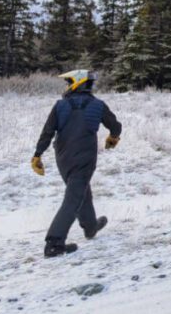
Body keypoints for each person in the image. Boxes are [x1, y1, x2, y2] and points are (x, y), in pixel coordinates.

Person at [31, 69, 122, 257]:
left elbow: (47, 132)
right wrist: (113, 137)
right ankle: (54, 243)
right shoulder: (98, 105)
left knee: (79, 191)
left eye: (68, 82)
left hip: (63, 158)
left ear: (76, 83)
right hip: (85, 157)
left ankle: (90, 227)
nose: (66, 86)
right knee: (74, 197)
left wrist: (37, 155)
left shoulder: (60, 105)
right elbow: (116, 126)